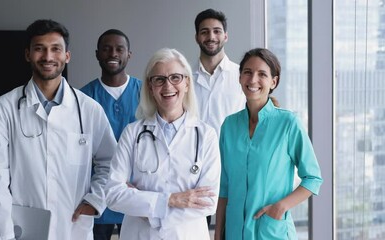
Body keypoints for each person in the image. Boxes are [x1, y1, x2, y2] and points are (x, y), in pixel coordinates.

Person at [0, 19, 117, 240]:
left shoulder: (88, 109)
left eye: (56, 49)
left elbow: (111, 162)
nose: (48, 57)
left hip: (73, 227)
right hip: (21, 228)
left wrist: (96, 200)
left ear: (67, 56)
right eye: (39, 49)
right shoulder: (4, 108)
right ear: (27, 54)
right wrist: (2, 236)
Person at [105, 48, 221, 240]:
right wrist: (172, 200)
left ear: (186, 83)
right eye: (159, 79)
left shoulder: (205, 135)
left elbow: (208, 202)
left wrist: (150, 212)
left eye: (175, 77)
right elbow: (113, 194)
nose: (167, 86)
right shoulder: (132, 133)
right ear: (150, 87)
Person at [214, 48, 323, 240]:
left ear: (274, 81)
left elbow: (313, 178)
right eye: (247, 72)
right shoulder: (229, 126)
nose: (253, 79)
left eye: (262, 74)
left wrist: (280, 207)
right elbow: (224, 187)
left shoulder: (288, 123)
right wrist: (218, 234)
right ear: (240, 78)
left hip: (271, 232)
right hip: (234, 233)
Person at [81, 29, 142, 240]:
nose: (113, 54)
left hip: (136, 189)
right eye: (106, 49)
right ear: (97, 54)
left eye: (119, 49)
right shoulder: (84, 98)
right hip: (98, 192)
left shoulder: (146, 93)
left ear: (129, 55)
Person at [193, 8, 246, 226]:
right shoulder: (185, 78)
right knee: (195, 229)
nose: (211, 37)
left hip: (232, 166)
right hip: (194, 168)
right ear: (197, 37)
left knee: (231, 230)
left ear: (226, 36)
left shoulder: (242, 76)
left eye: (217, 31)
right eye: (205, 32)